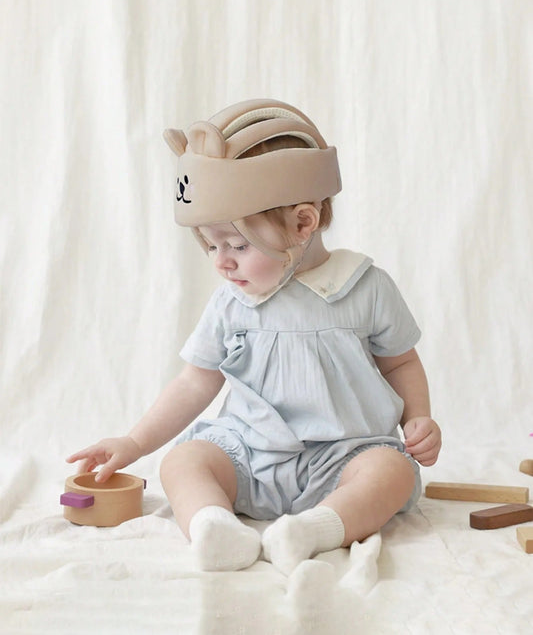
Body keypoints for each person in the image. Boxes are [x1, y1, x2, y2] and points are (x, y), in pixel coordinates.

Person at [67, 99, 441, 575]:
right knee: (184, 461)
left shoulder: (365, 287)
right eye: (212, 245)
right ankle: (213, 526)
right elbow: (195, 382)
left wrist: (419, 418)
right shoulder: (232, 303)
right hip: (246, 454)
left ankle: (315, 529)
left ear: (303, 223)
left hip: (345, 454)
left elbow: (401, 362)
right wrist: (134, 442)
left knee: (389, 471)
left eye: (238, 245)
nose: (221, 261)